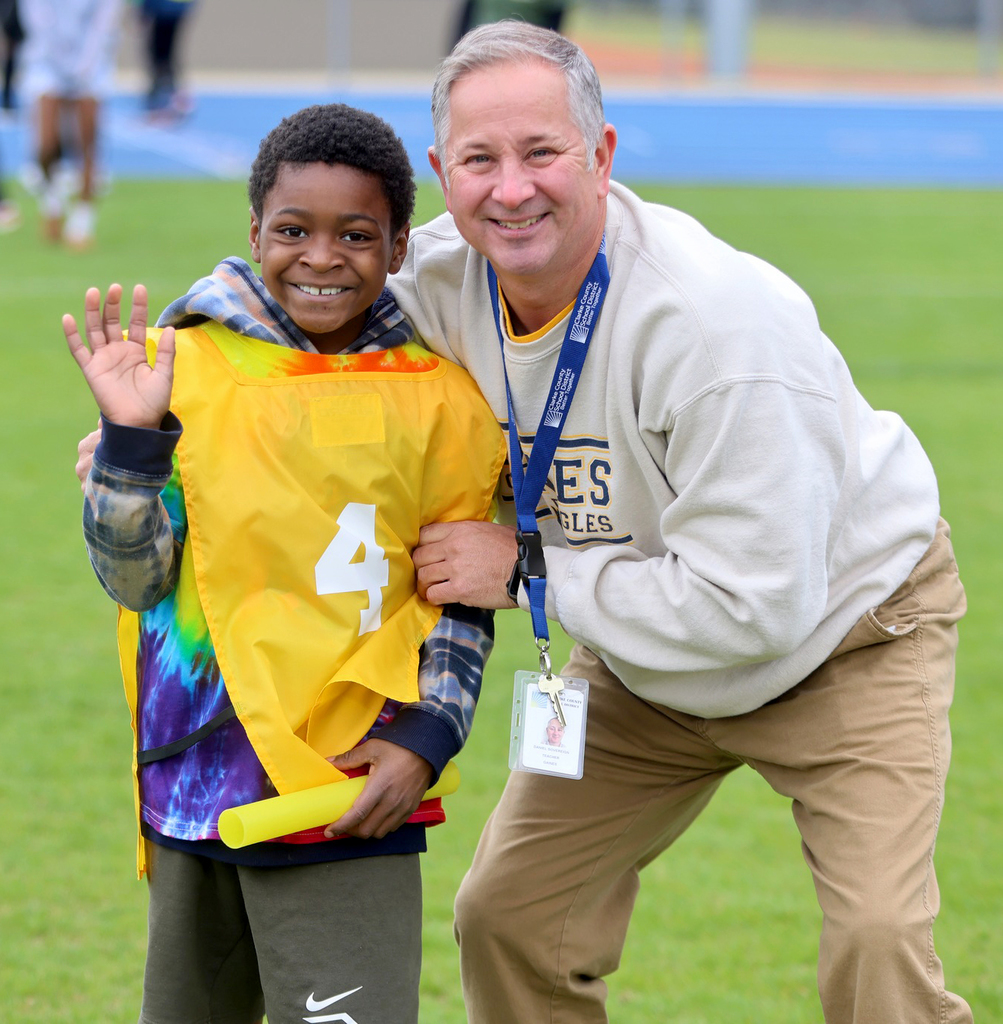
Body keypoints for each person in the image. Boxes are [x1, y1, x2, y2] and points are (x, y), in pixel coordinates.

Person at [398, 21, 971, 1024]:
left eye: (541, 152)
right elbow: (288, 315)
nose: (510, 189)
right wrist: (160, 425)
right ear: (440, 172)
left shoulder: (715, 324)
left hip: (845, 633)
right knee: (507, 914)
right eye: (479, 160)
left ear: (601, 155)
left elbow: (757, 606)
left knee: (877, 948)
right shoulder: (437, 280)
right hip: (639, 648)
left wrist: (532, 573)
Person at [64, 102, 505, 1024]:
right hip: (197, 777)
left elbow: (459, 594)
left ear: (395, 251)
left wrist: (427, 738)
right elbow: (134, 581)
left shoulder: (442, 397)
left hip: (352, 786)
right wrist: (129, 448)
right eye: (293, 230)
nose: (320, 256)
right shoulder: (180, 370)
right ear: (255, 232)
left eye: (355, 235)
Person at [19, 0, 121, 247]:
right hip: (45, 62)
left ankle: (82, 221)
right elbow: (38, 21)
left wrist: (84, 66)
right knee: (46, 144)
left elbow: (102, 25)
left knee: (86, 144)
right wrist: (60, 65)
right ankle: (52, 201)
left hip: (92, 64)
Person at [136, 0, 196, 120]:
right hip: (168, 7)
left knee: (162, 53)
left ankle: (169, 101)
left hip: (165, 7)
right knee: (162, 53)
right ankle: (166, 100)